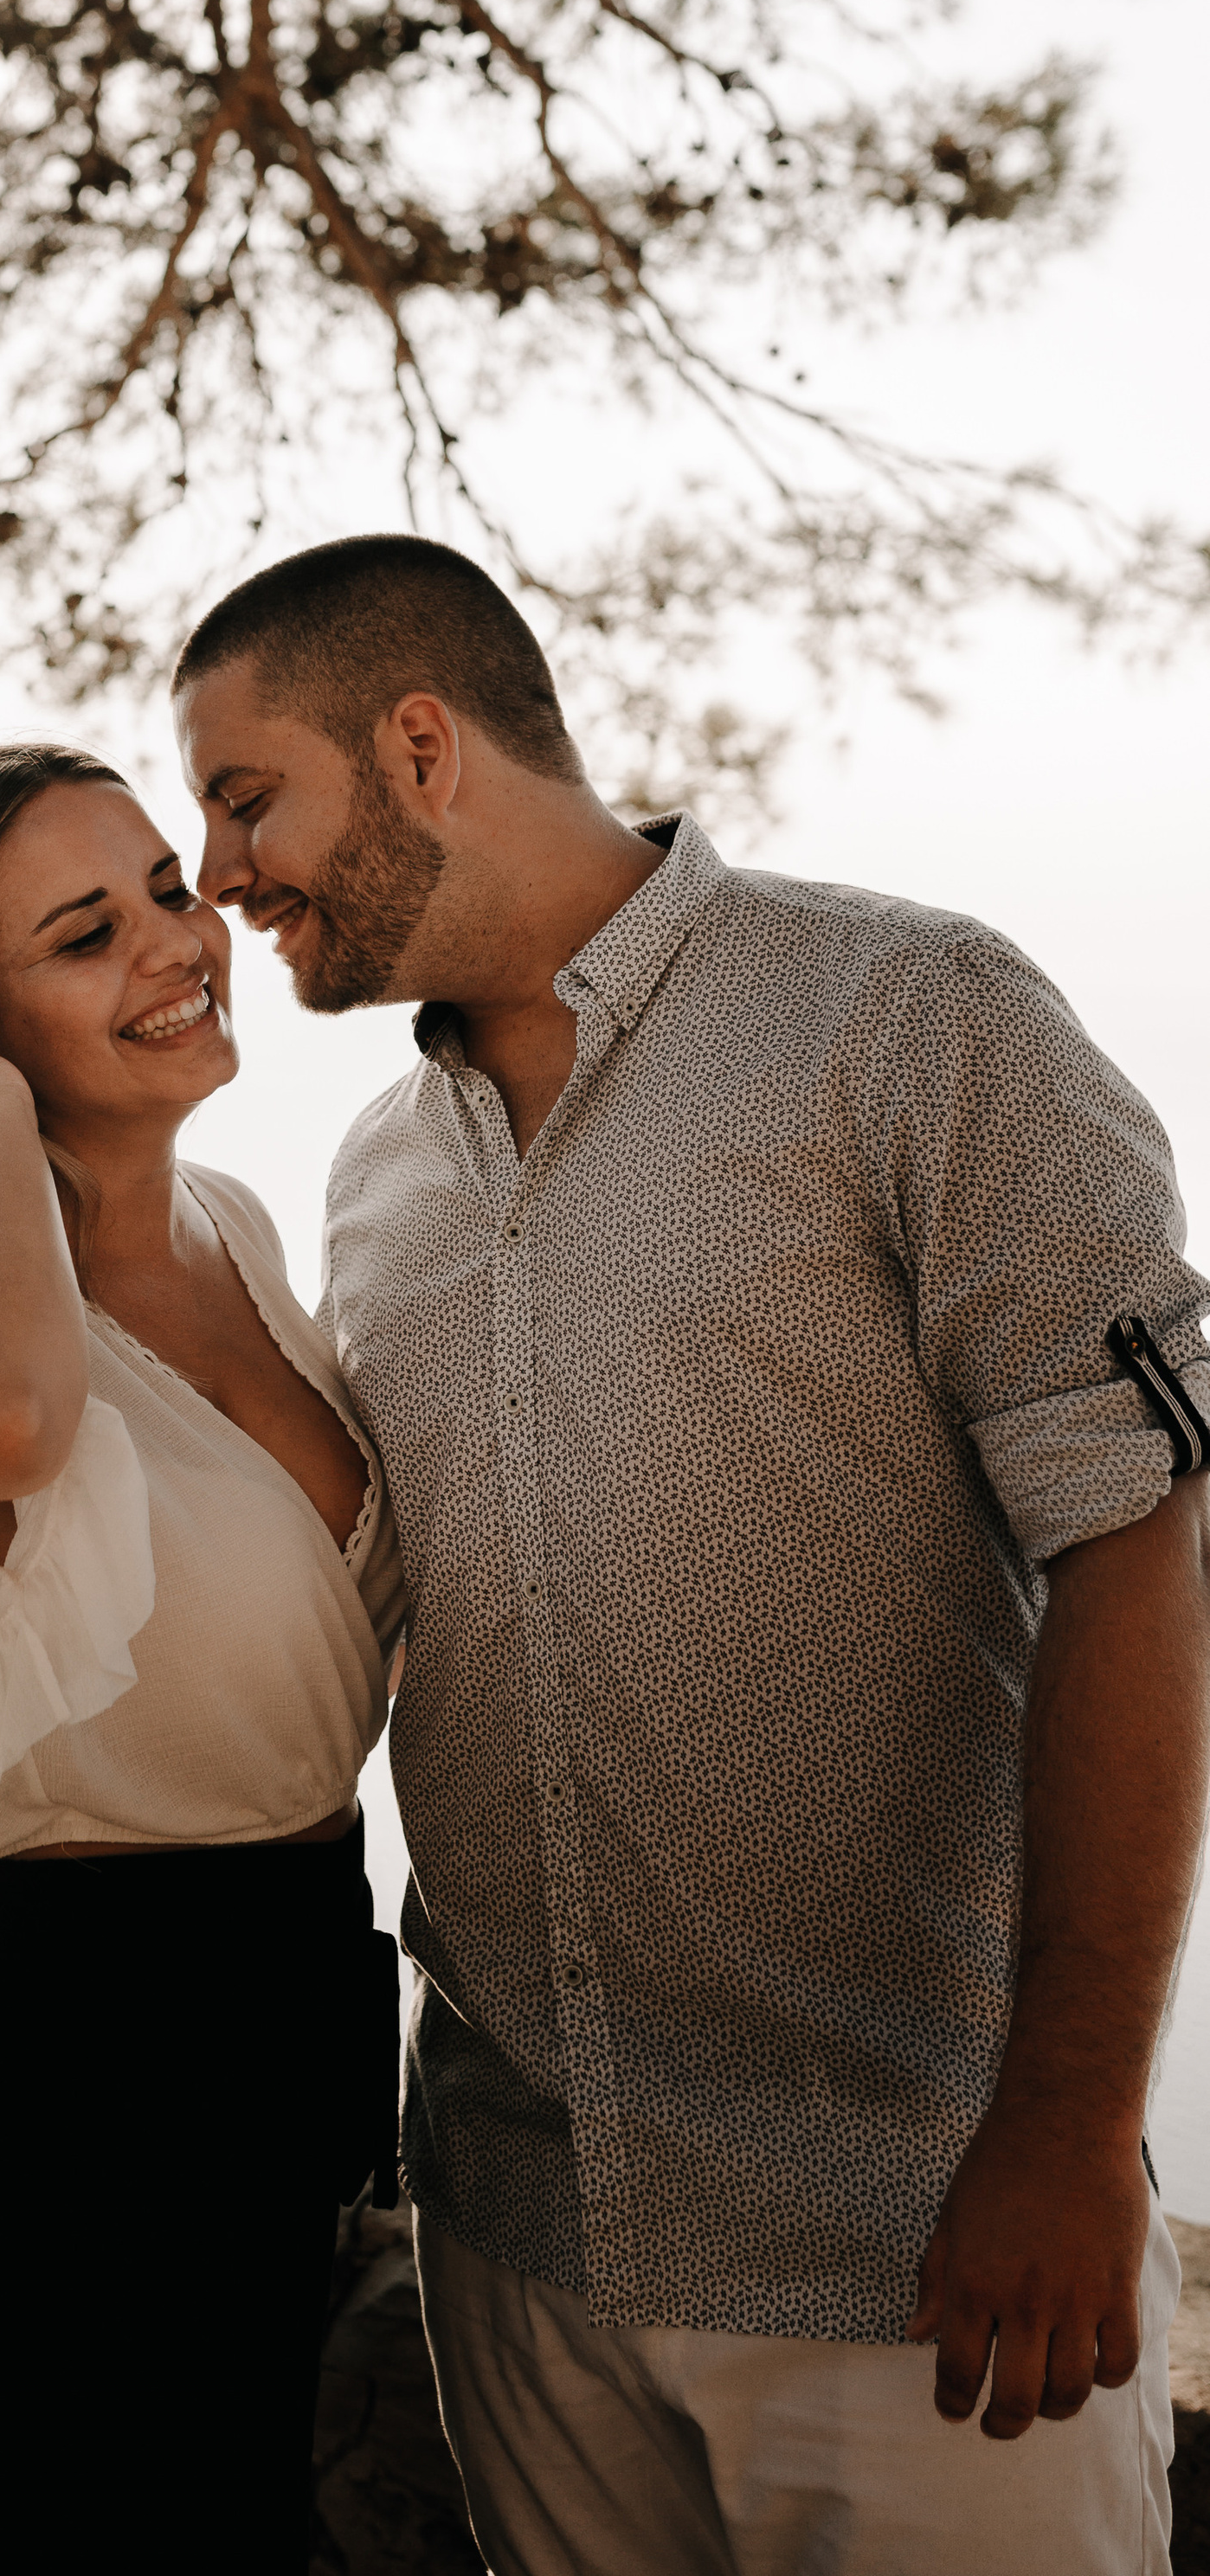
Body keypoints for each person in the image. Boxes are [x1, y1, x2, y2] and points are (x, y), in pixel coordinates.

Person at [164, 530, 1210, 2576]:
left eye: (240, 794)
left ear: (415, 744)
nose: (217, 875)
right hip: (517, 2261)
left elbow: (1140, 1539)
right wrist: (1, 1822)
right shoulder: (375, 1175)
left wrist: (1074, 2130)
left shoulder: (905, 1014)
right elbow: (339, 1614)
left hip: (912, 2255)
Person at [0, 740, 405, 2573]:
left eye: (169, 893)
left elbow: (234, 1644)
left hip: (263, 1996)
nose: (173, 946)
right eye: (81, 931)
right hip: (56, 2067)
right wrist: (7, 1153)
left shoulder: (236, 1234)